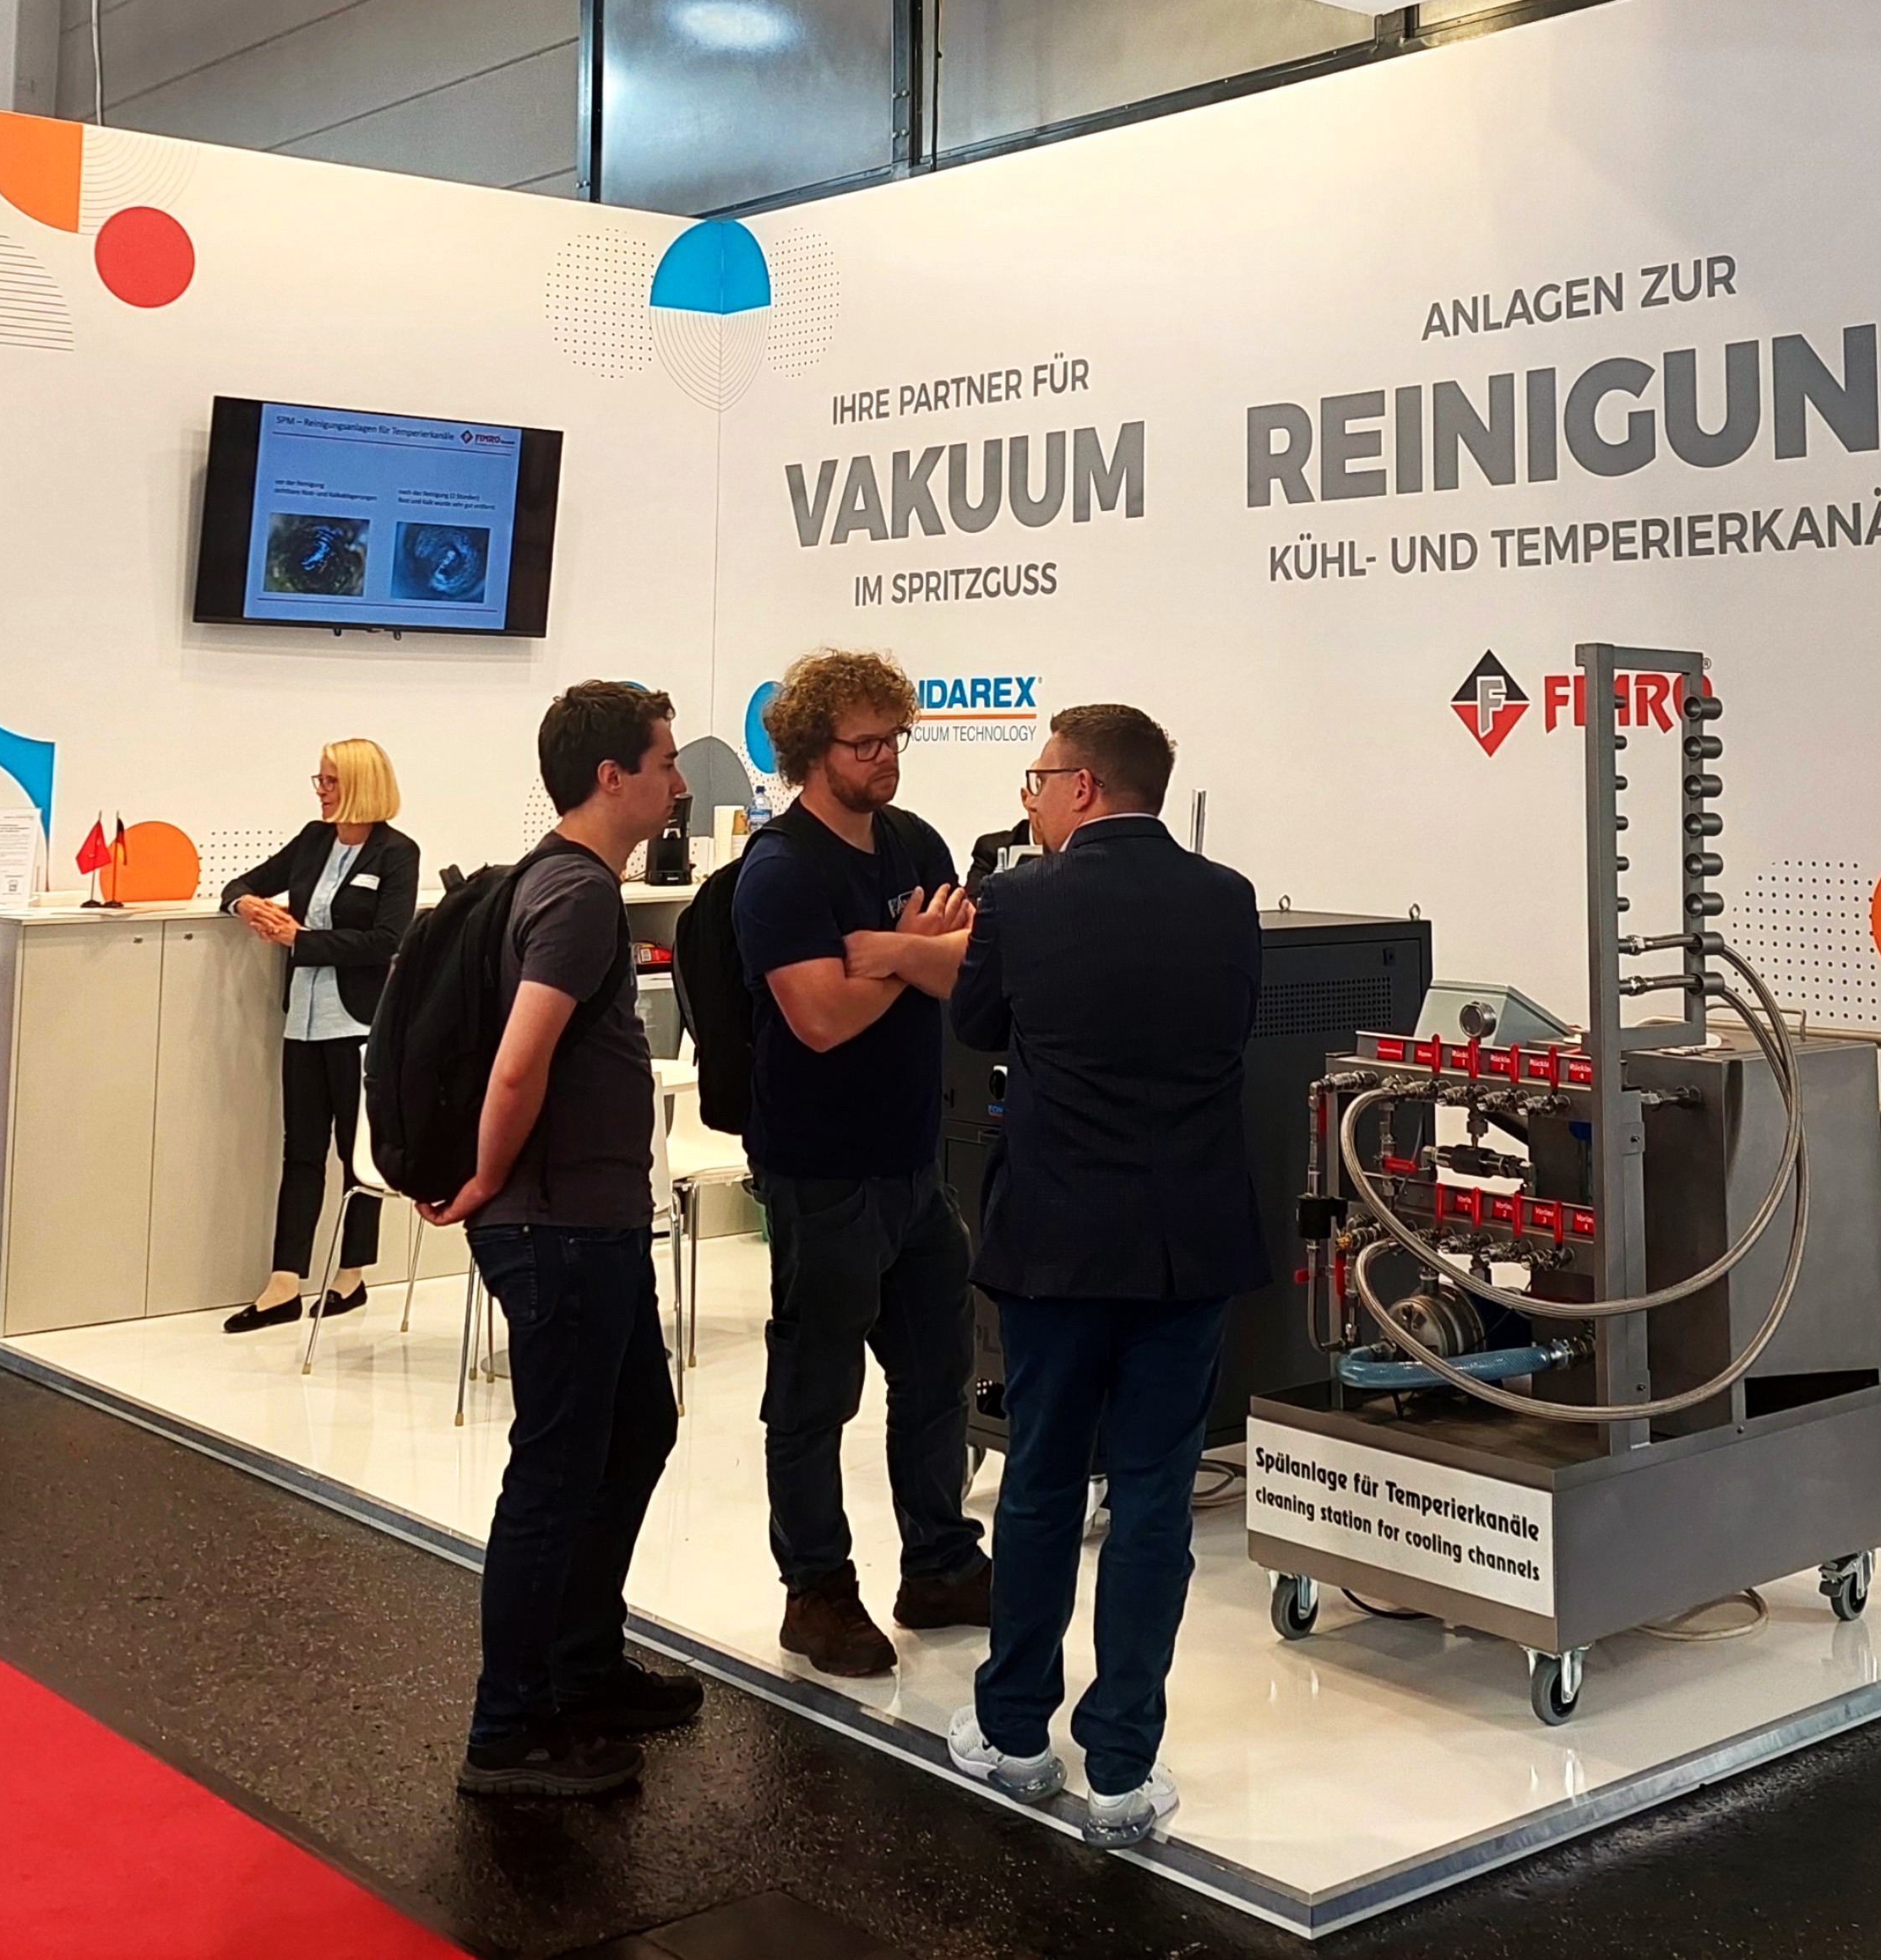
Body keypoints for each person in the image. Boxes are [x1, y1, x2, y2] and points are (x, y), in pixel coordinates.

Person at [940, 703, 1260, 1847]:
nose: (1029, 798)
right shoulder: (1226, 899)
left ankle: (1016, 1736)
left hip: (1059, 1243)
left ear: (1081, 785)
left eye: (1037, 778)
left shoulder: (1020, 899)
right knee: (1155, 1500)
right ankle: (1123, 1767)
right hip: (1186, 1245)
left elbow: (976, 1022)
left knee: (1040, 1483)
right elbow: (1233, 1032)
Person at [421, 681, 696, 1801]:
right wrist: (489, 1176)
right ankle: (508, 1731)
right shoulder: (576, 896)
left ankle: (582, 1667)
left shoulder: (558, 881)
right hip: (559, 1226)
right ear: (610, 777)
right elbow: (520, 1062)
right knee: (556, 1470)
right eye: (664, 762)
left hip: (590, 1221)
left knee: (636, 1431)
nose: (680, 782)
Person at [729, 648, 992, 1678]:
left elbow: (966, 964)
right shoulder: (781, 870)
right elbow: (821, 1020)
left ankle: (939, 1564)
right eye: (864, 744)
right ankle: (816, 1592)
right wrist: (905, 958)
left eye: (895, 739)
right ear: (810, 751)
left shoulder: (914, 841)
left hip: (913, 1160)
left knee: (936, 1376)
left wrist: (883, 953)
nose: (886, 759)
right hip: (821, 1167)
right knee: (815, 1391)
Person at [216, 739, 422, 1334]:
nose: (321, 791)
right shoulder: (313, 839)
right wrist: (247, 906)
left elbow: (385, 941)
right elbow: (243, 883)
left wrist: (300, 941)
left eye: (331, 781)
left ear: (359, 785)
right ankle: (284, 1282)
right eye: (320, 780)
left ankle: (351, 1274)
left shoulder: (397, 853)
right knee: (300, 1151)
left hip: (358, 1026)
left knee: (356, 1155)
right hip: (302, 1021)